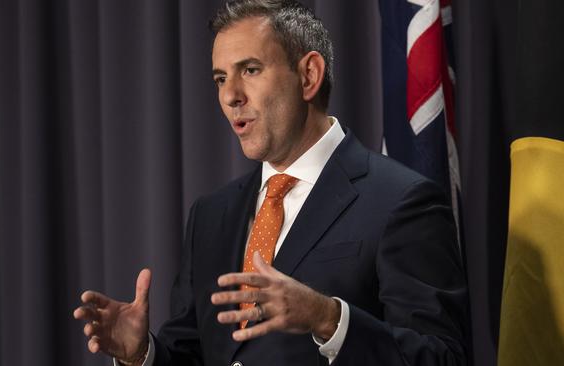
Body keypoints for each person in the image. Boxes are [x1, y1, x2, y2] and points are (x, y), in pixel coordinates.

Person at [73, 1, 469, 365]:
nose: (230, 95)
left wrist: (328, 319)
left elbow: (443, 358)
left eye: (250, 70)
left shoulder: (400, 200)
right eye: (219, 78)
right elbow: (195, 354)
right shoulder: (212, 215)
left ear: (308, 75)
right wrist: (142, 354)